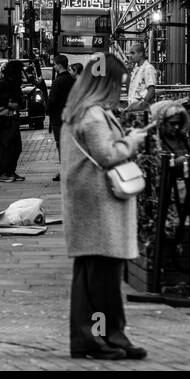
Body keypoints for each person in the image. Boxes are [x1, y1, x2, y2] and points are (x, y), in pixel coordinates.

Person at [61, 52, 149, 360]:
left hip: (91, 205)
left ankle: (107, 336)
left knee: (95, 276)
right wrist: (133, 141)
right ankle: (100, 339)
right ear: (104, 83)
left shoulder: (83, 111)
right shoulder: (93, 114)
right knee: (101, 277)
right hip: (98, 206)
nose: (121, 90)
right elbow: (107, 155)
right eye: (119, 83)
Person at [0, 59, 26, 182]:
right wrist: (9, 104)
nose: (21, 73)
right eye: (19, 71)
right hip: (3, 118)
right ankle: (3, 173)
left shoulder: (14, 82)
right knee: (8, 147)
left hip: (12, 117)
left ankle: (10, 171)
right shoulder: (3, 83)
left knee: (16, 147)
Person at [46, 53, 76, 183]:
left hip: (58, 118)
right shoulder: (72, 80)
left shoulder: (58, 81)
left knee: (61, 145)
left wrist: (47, 112)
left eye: (54, 64)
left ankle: (64, 170)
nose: (54, 67)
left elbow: (52, 100)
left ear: (59, 65)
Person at [126, 42, 158, 114]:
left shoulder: (148, 68)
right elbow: (130, 90)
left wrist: (142, 106)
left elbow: (151, 91)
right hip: (133, 109)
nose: (130, 56)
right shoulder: (136, 69)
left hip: (142, 111)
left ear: (141, 54)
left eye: (133, 53)